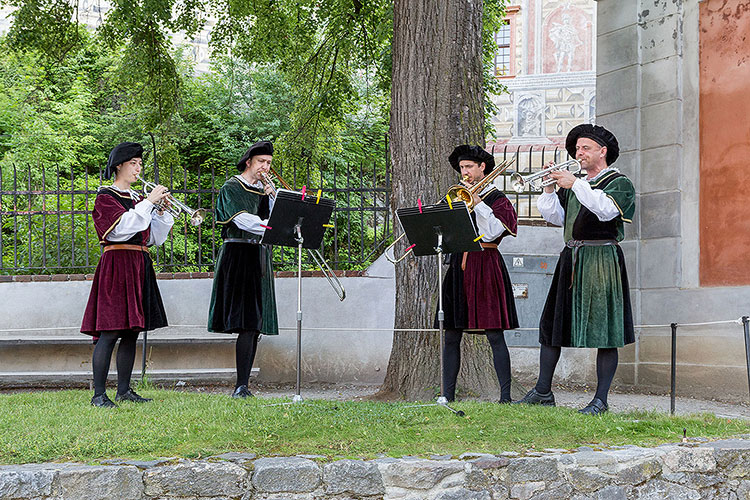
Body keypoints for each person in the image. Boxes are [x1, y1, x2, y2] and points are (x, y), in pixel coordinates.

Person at [514, 123, 635, 415]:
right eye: (577, 149)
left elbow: (605, 210)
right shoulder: (574, 185)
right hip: (571, 258)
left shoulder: (619, 182)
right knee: (552, 326)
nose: (579, 153)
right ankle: (543, 391)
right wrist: (548, 188)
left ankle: (600, 401)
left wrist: (575, 184)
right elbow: (556, 217)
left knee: (606, 330)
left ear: (602, 152)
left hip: (601, 260)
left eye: (585, 148)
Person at [81, 142, 174, 408]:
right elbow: (118, 230)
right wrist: (148, 203)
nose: (138, 168)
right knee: (110, 330)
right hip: (117, 263)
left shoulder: (137, 200)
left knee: (132, 331)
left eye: (140, 163)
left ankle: (124, 390)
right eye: (133, 163)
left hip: (138, 262)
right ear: (119, 165)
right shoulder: (106, 197)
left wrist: (163, 213)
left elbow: (153, 238)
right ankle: (99, 394)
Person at [438, 145, 519, 403]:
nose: (465, 173)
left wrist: (479, 203)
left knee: (494, 334)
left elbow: (496, 231)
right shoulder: (457, 196)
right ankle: (447, 395)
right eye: (462, 168)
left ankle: (505, 397)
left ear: (482, 167)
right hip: (459, 266)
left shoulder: (497, 198)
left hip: (485, 264)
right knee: (451, 333)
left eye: (469, 167)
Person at [208, 140, 278, 398]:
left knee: (255, 323)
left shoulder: (264, 190)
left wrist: (273, 197)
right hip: (238, 255)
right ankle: (240, 385)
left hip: (259, 254)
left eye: (269, 163)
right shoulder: (231, 187)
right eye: (261, 161)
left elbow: (274, 217)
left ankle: (243, 385)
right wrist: (272, 225)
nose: (265, 167)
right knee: (245, 319)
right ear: (248, 161)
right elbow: (243, 221)